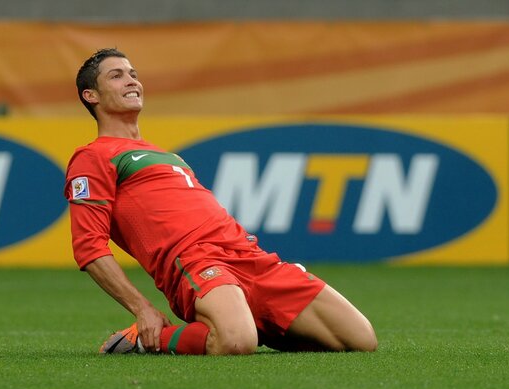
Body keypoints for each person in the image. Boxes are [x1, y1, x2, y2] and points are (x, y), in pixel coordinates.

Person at [64, 48, 377, 355]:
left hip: (249, 255)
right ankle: (148, 340)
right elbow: (89, 247)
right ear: (91, 95)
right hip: (197, 261)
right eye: (116, 76)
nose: (131, 81)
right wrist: (142, 309)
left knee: (360, 339)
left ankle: (250, 323)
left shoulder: (170, 157)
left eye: (133, 74)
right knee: (235, 342)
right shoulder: (93, 157)